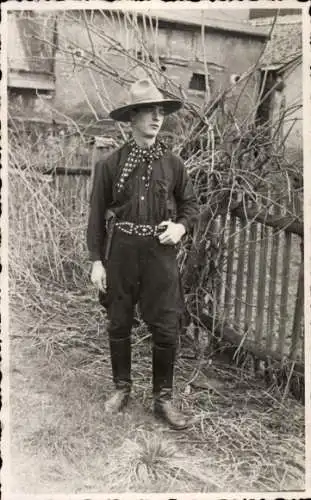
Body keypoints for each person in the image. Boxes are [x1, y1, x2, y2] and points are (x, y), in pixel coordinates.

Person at [87, 79, 199, 430]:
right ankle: (122, 389)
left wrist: (180, 227)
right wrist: (96, 261)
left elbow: (191, 205)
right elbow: (96, 215)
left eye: (160, 111)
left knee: (166, 327)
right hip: (120, 252)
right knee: (119, 322)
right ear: (132, 117)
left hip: (159, 255)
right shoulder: (110, 165)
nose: (157, 117)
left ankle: (162, 399)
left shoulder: (173, 164)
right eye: (149, 111)